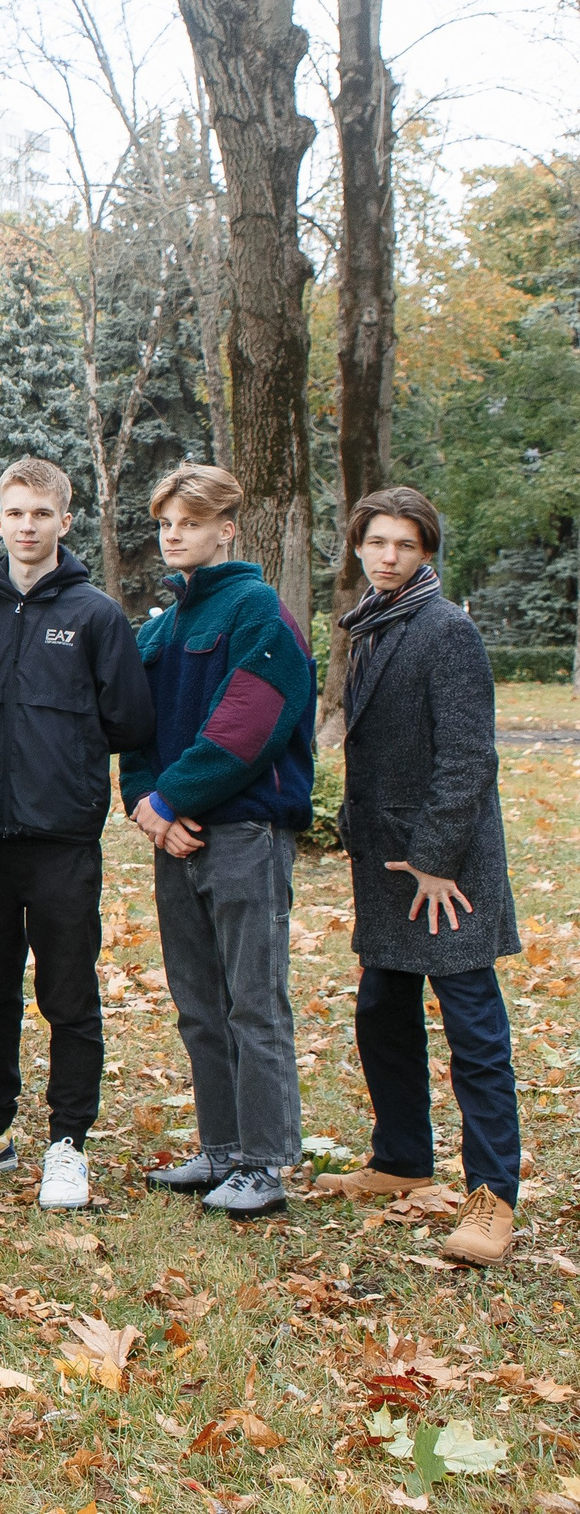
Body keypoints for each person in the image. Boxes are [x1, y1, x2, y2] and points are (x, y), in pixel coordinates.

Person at [314, 488, 522, 1265]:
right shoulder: (375, 623)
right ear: (360, 547)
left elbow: (470, 757)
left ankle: (493, 1195)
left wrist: (435, 859)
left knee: (473, 1029)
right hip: (390, 864)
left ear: (426, 549)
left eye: (404, 543)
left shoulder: (447, 630)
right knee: (382, 1011)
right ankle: (401, 1157)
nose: (389, 555)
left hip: (447, 868)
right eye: (377, 542)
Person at [0, 460, 154, 1209]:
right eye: (13, 512)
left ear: (66, 520)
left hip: (63, 839)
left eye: (41, 512)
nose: (26, 524)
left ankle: (68, 1142)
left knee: (68, 994)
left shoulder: (96, 615)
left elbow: (130, 719)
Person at [121, 464, 316, 1220]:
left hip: (245, 833)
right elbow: (134, 730)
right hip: (176, 838)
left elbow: (247, 726)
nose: (174, 534)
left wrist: (172, 797)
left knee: (252, 1002)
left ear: (225, 529)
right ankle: (225, 1148)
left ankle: (265, 1163)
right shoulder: (163, 626)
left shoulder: (259, 612)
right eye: (167, 521)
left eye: (190, 522)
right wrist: (146, 804)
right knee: (199, 1002)